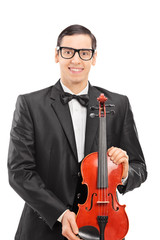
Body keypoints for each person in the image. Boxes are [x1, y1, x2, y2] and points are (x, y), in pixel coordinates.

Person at [8, 24, 147, 240]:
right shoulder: (29, 104)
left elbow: (140, 168)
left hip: (103, 225)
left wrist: (125, 170)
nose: (76, 60)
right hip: (42, 229)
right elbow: (19, 172)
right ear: (57, 55)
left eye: (84, 53)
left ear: (93, 57)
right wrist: (61, 214)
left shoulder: (118, 104)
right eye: (68, 51)